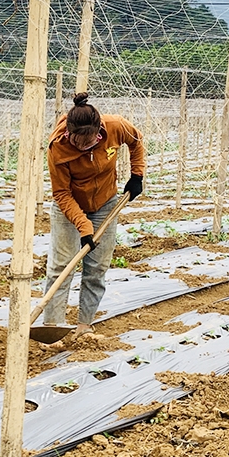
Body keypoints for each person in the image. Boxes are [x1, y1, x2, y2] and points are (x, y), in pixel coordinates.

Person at [42, 92, 146, 342]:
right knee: (61, 266)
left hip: (105, 202)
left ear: (99, 131)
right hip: (69, 206)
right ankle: (52, 326)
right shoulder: (58, 149)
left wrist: (137, 175)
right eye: (78, 144)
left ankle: (84, 325)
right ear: (69, 134)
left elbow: (137, 141)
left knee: (97, 267)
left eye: (89, 143)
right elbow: (61, 193)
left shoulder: (115, 126)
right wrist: (83, 225)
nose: (84, 147)